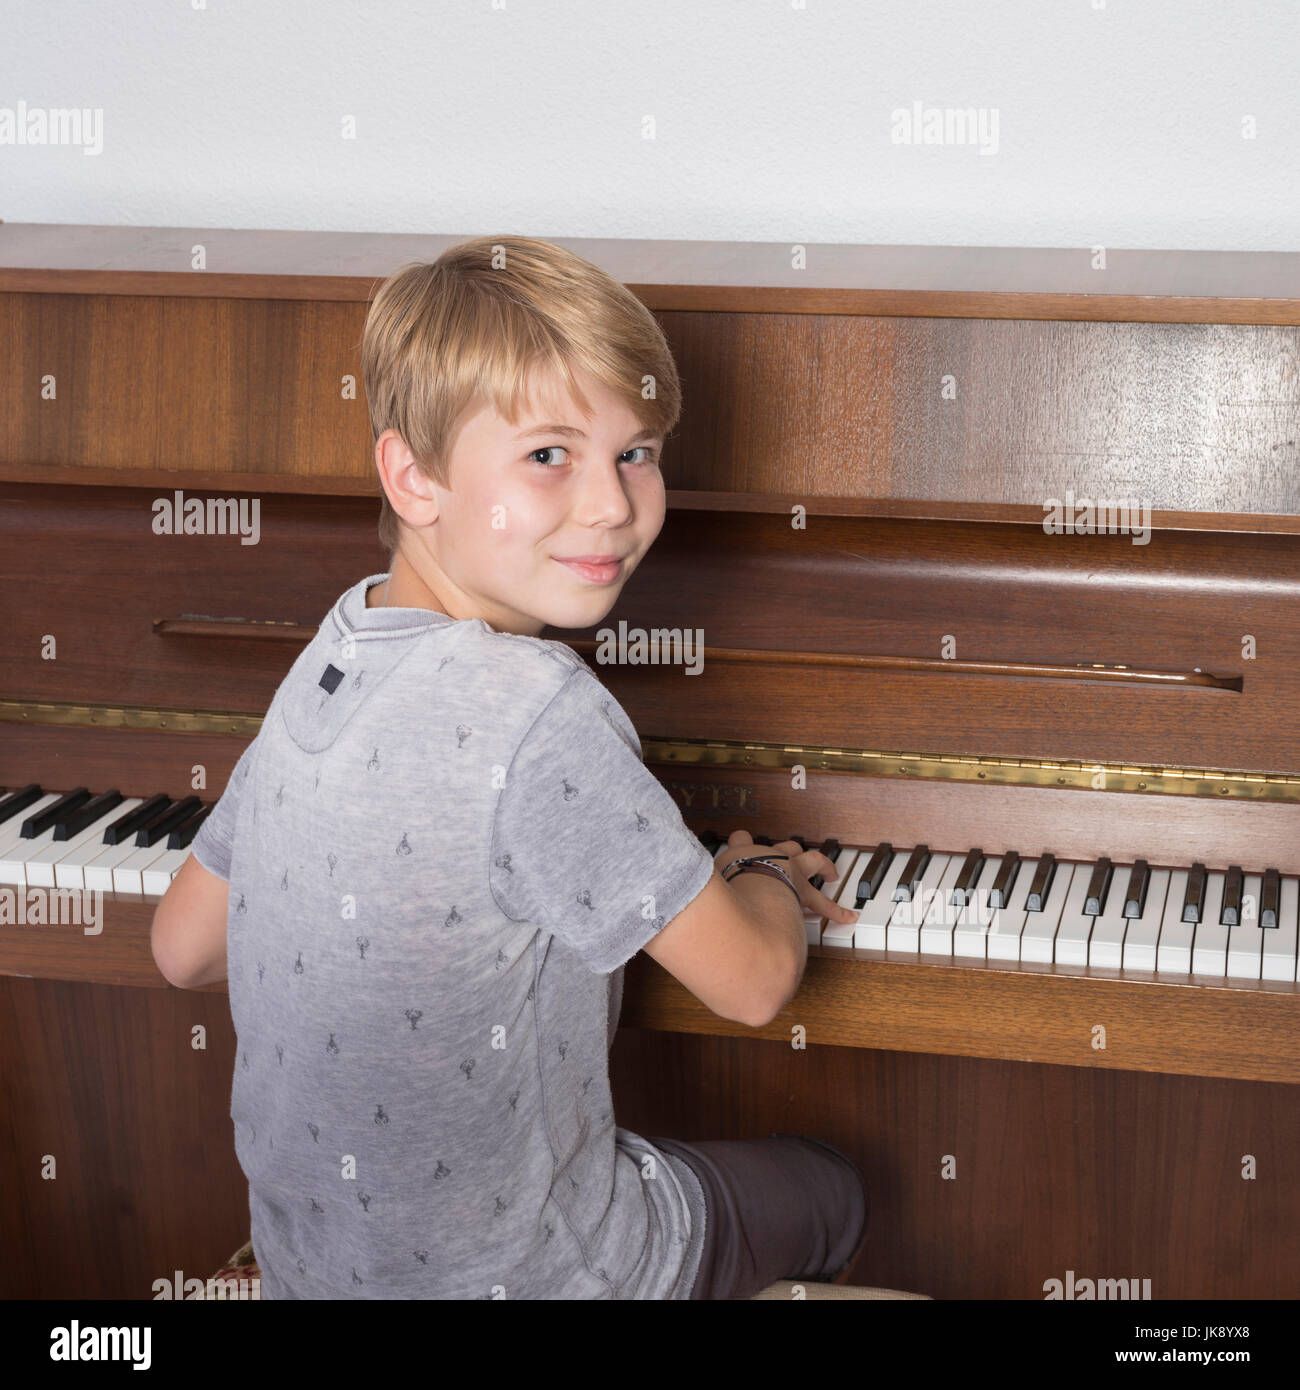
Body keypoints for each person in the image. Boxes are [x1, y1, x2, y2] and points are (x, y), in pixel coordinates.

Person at [150, 234, 868, 1299]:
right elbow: (756, 985)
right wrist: (759, 879)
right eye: (549, 455)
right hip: (544, 1279)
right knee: (833, 1186)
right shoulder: (536, 705)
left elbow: (178, 948)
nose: (612, 504)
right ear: (413, 474)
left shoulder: (336, 647)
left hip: (323, 1273)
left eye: (636, 450)